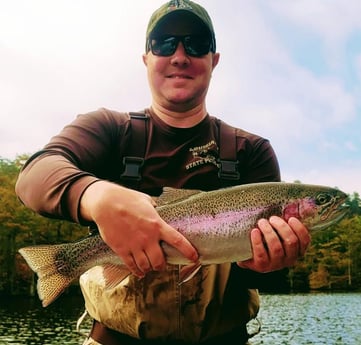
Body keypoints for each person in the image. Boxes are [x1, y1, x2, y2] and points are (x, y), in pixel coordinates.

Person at [15, 1, 311, 344]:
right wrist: (96, 195)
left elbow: (272, 282)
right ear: (146, 59)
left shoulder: (250, 151)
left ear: (214, 61)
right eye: (164, 44)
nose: (180, 55)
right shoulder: (109, 129)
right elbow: (34, 175)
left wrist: (265, 264)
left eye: (197, 44)